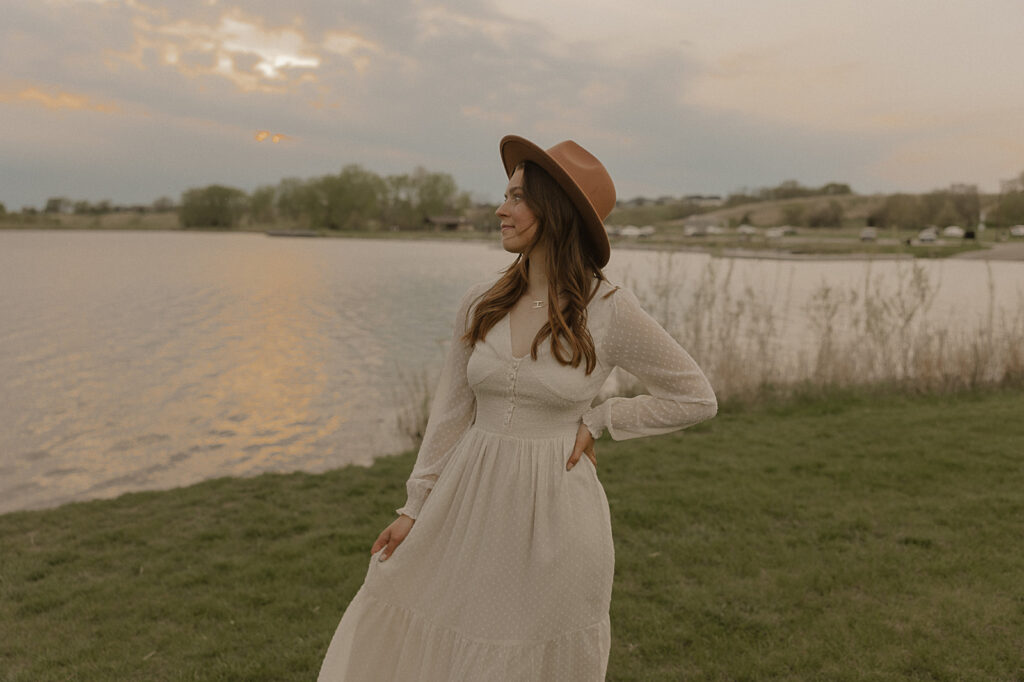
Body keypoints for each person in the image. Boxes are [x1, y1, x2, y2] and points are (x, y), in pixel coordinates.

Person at [317, 135, 718, 680]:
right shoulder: (482, 301)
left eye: (517, 198)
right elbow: (450, 415)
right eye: (505, 195)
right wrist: (414, 506)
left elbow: (695, 396)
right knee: (437, 634)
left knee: (525, 658)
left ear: (556, 212)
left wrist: (602, 419)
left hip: (555, 514)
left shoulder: (609, 310)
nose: (501, 210)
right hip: (467, 502)